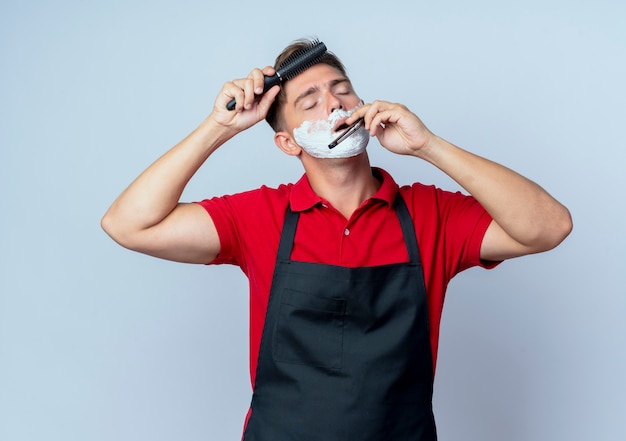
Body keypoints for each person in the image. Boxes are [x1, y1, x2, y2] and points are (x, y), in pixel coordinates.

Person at [101, 38, 572, 440]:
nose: (334, 104)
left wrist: (429, 145)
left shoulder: (431, 214)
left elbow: (550, 226)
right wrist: (217, 129)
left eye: (342, 91)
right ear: (288, 143)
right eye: (310, 101)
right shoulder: (260, 216)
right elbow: (127, 224)